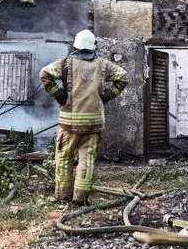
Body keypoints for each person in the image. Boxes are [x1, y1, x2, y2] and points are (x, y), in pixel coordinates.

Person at [39, 29, 128, 205]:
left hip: (69, 123)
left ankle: (63, 196)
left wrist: (60, 96)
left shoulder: (65, 63)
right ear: (93, 46)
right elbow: (123, 77)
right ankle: (80, 198)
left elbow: (45, 74)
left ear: (75, 45)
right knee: (87, 160)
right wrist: (107, 96)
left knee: (64, 158)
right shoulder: (103, 65)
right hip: (93, 123)